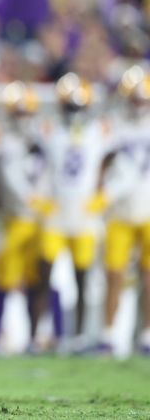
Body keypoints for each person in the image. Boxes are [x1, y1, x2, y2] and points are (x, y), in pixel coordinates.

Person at [38, 73, 109, 350]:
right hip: (57, 212)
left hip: (85, 214)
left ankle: (78, 335)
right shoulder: (49, 131)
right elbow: (43, 170)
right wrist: (40, 198)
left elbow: (121, 163)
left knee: (83, 278)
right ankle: (41, 333)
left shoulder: (99, 132)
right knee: (44, 275)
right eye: (70, 107)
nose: (74, 113)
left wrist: (106, 195)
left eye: (78, 107)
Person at [0, 82, 49, 352]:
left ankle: (37, 336)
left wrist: (42, 198)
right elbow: (6, 178)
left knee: (38, 279)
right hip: (13, 217)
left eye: (26, 113)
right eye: (18, 113)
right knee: (5, 280)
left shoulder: (41, 140)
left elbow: (53, 174)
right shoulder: (5, 141)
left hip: (38, 221)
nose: (22, 118)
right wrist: (31, 197)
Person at [97, 69, 150, 354]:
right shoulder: (116, 124)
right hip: (119, 209)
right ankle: (108, 334)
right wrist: (99, 193)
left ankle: (146, 336)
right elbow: (101, 160)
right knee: (114, 274)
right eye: (135, 99)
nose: (138, 105)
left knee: (149, 276)